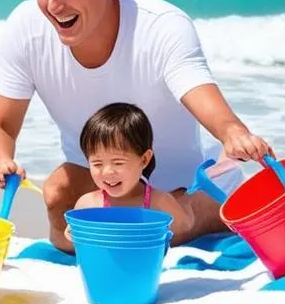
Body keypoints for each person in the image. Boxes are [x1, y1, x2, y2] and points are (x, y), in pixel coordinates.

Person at [0, 0, 273, 250]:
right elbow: (0, 125)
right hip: (99, 178)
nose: (53, 6)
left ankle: (211, 207)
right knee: (59, 204)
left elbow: (197, 87)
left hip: (176, 188)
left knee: (164, 226)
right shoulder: (25, 28)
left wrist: (232, 132)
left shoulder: (162, 26)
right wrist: (1, 160)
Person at [63, 102, 193, 242]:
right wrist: (72, 233)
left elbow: (185, 227)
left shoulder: (160, 202)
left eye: (118, 163)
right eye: (97, 163)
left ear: (144, 160)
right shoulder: (88, 203)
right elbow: (71, 233)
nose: (107, 172)